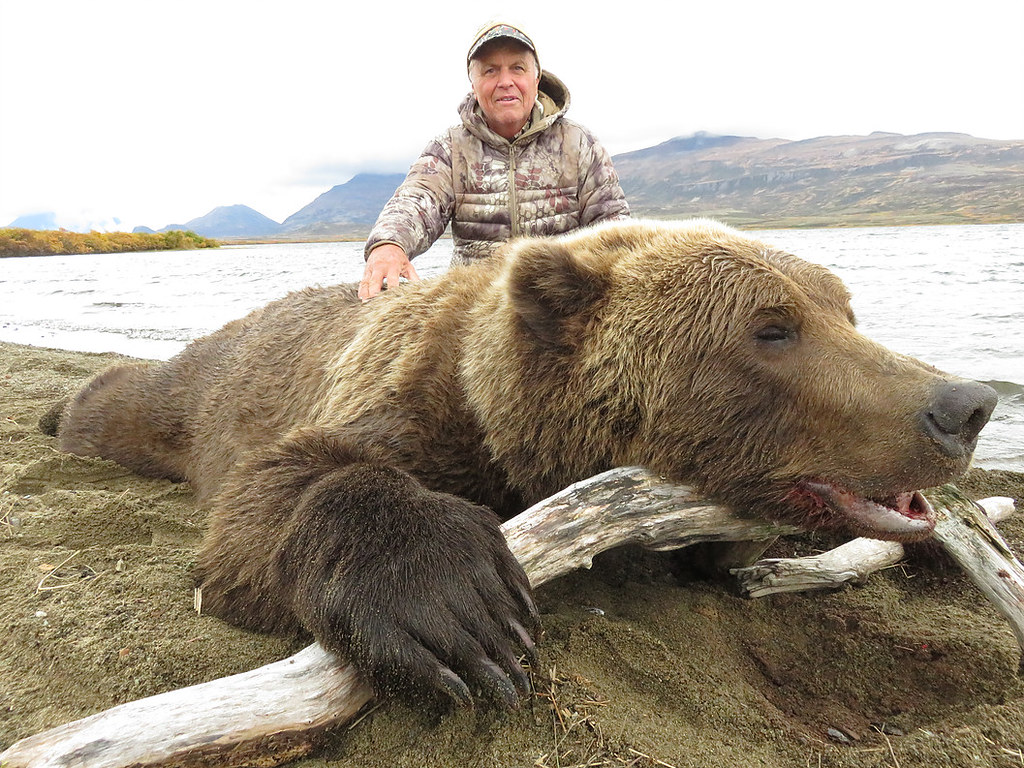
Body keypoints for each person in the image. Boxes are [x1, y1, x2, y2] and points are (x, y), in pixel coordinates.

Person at [358, 22, 630, 301]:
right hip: (472, 308)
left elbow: (616, 230)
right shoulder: (450, 149)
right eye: (490, 70)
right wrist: (389, 245)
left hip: (561, 309)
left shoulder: (579, 143)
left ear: (536, 80)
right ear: (474, 85)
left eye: (517, 68)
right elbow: (416, 200)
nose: (505, 81)